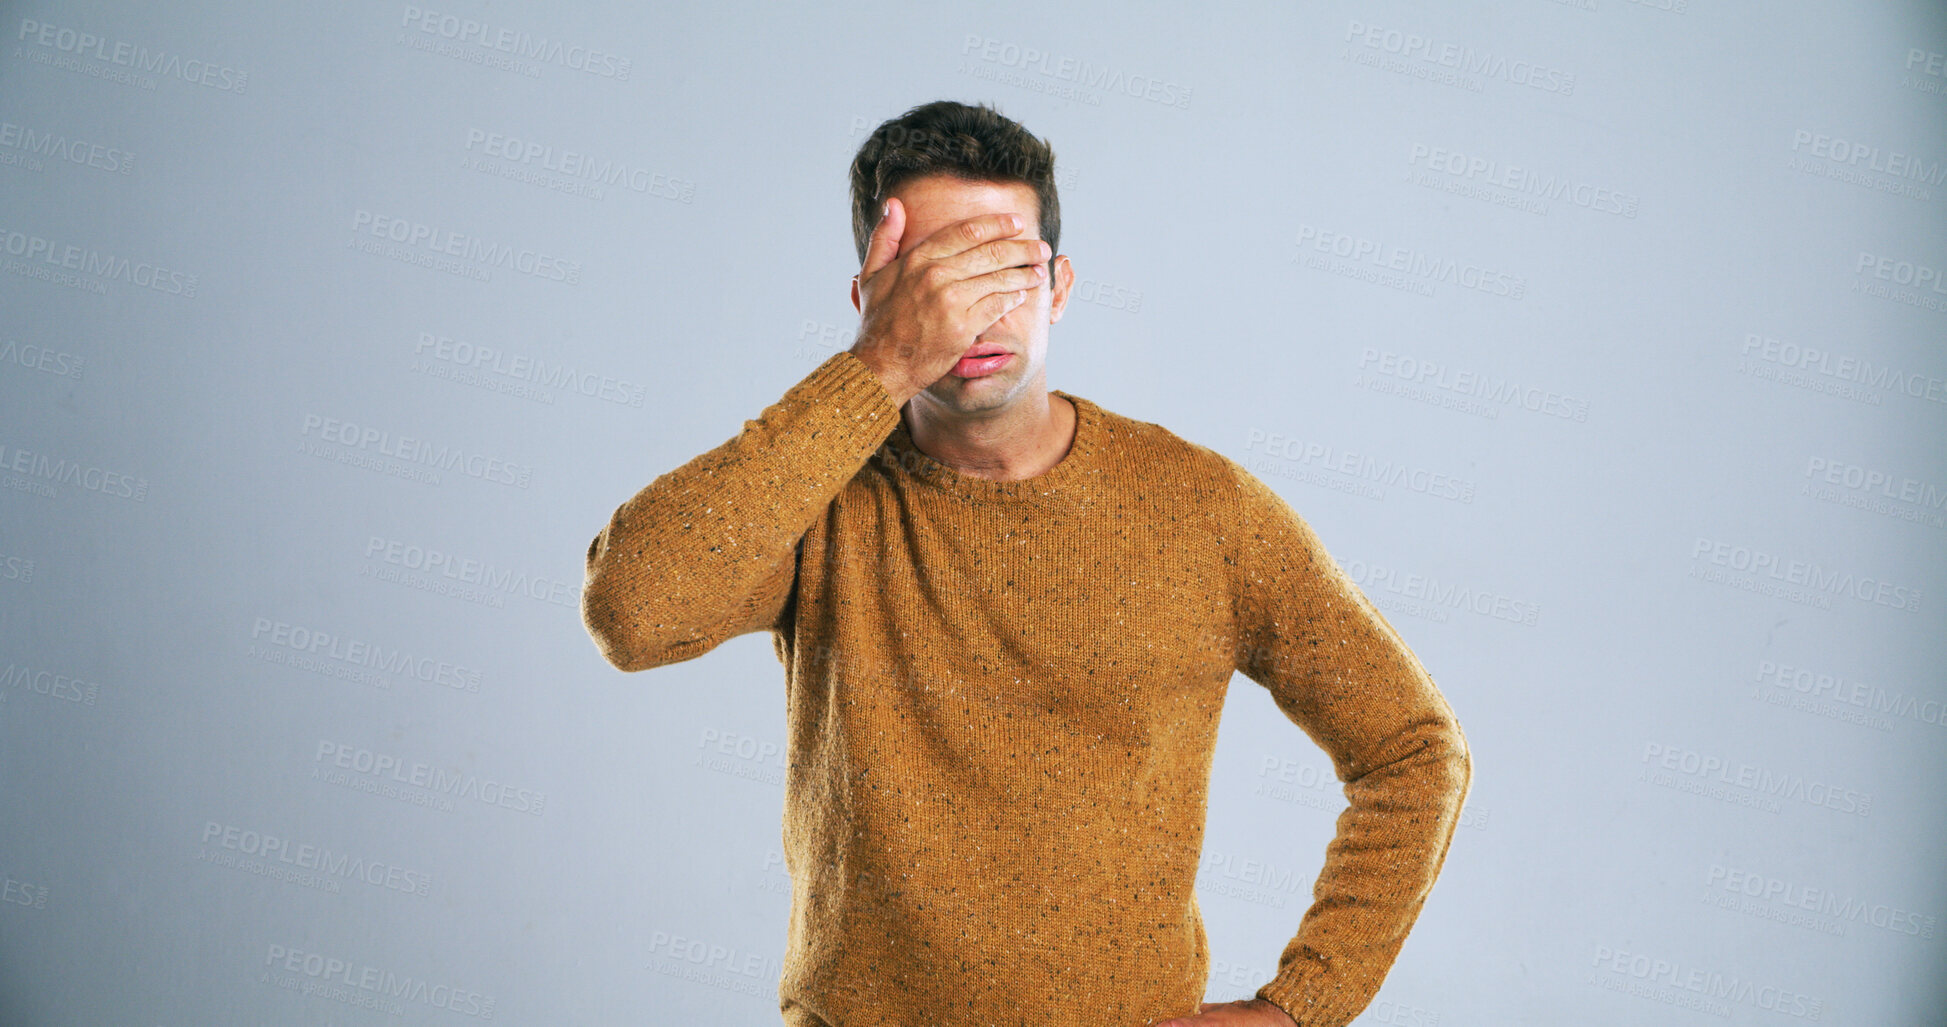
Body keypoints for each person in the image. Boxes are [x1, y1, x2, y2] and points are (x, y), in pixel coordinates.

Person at [580, 99, 1472, 1027]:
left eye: (1002, 267)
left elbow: (1411, 749)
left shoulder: (1202, 508)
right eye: (931, 275)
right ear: (870, 298)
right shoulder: (816, 496)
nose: (970, 310)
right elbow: (634, 614)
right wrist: (876, 369)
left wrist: (1299, 1007)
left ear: (1058, 285)